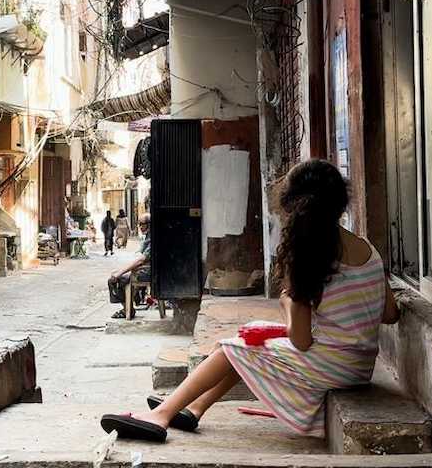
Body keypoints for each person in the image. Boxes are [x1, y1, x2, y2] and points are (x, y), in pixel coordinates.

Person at [99, 159, 400, 442]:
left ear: (294, 207)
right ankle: (193, 408)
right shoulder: (368, 249)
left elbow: (301, 341)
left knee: (231, 351)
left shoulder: (309, 256)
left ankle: (160, 416)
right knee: (245, 339)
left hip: (332, 367)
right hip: (359, 367)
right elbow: (389, 313)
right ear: (339, 204)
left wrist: (286, 301)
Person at [107, 214, 151, 319]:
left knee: (115, 280)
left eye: (142, 224)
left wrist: (120, 272)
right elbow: (139, 256)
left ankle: (127, 309)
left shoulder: (152, 239)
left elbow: (141, 259)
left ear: (149, 225)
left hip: (147, 272)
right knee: (118, 274)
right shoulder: (147, 237)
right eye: (138, 224)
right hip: (144, 269)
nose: (139, 227)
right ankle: (129, 305)